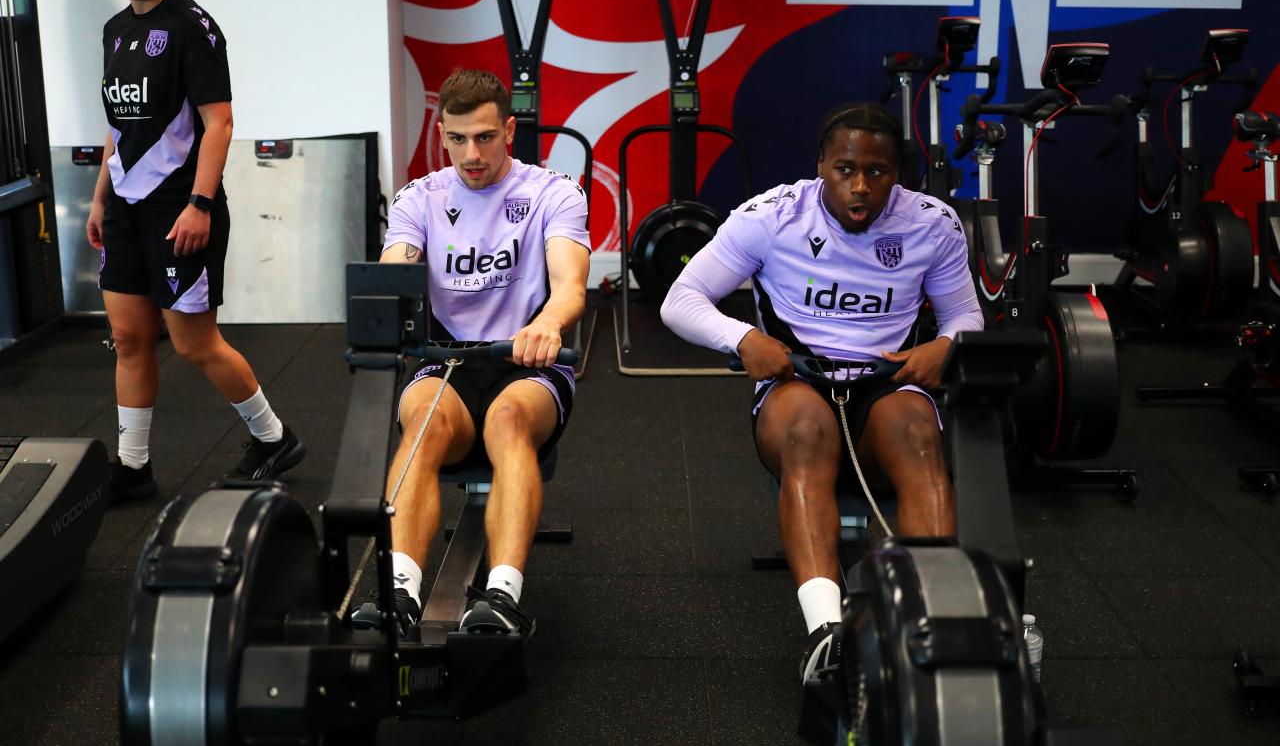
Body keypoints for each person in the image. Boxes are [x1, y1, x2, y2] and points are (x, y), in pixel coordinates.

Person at [660, 102, 982, 684]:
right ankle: (825, 635)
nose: (860, 187)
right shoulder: (771, 216)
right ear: (821, 167)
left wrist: (947, 346)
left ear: (897, 173)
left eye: (877, 172)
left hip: (888, 384)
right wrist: (743, 339)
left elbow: (964, 315)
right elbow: (680, 301)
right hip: (799, 385)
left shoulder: (932, 222)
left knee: (919, 437)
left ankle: (933, 621)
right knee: (807, 434)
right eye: (845, 170)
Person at [353, 68, 590, 637]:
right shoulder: (420, 197)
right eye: (457, 139)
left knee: (507, 423)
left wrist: (549, 323)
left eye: (485, 137)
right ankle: (399, 593)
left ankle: (502, 597)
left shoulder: (553, 192)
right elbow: (398, 269)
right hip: (449, 360)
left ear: (509, 129)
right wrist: (392, 293)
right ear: (442, 136)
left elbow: (570, 286)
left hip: (527, 362)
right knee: (424, 424)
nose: (471, 153)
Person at [86, 0, 304, 503]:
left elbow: (220, 123)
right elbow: (118, 127)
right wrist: (100, 198)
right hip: (126, 209)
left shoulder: (191, 25)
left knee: (192, 342)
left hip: (180, 207)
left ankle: (274, 437)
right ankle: (134, 466)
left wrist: (200, 205)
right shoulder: (114, 31)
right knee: (129, 338)